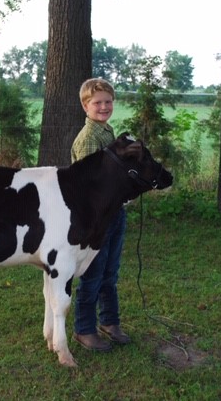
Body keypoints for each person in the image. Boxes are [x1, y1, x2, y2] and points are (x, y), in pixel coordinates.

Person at [71, 77, 131, 352]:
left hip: (115, 213)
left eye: (108, 101)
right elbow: (89, 184)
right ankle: (84, 329)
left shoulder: (107, 132)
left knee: (110, 271)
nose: (104, 106)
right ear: (86, 106)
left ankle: (109, 321)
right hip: (96, 219)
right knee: (93, 272)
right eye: (97, 103)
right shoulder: (88, 139)